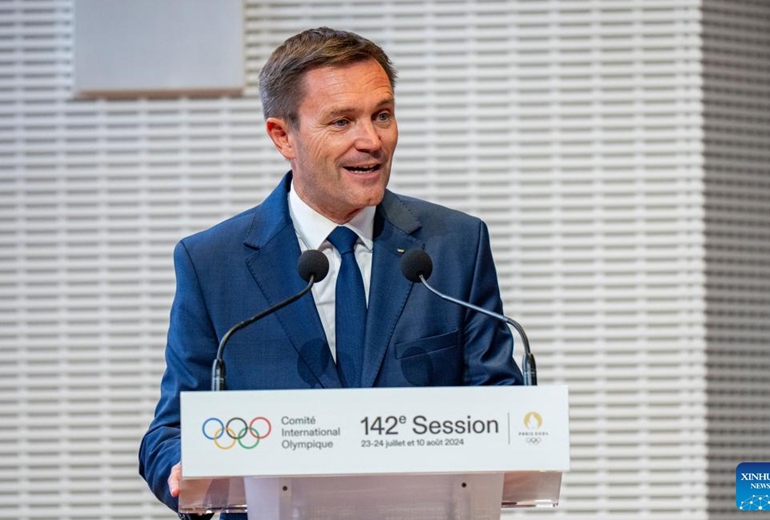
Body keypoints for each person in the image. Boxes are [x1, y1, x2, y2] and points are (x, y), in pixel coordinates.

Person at [139, 27, 522, 519]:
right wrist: (181, 469)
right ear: (283, 136)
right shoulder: (213, 263)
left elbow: (500, 404)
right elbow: (170, 431)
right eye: (341, 122)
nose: (372, 140)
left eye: (381, 115)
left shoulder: (453, 246)